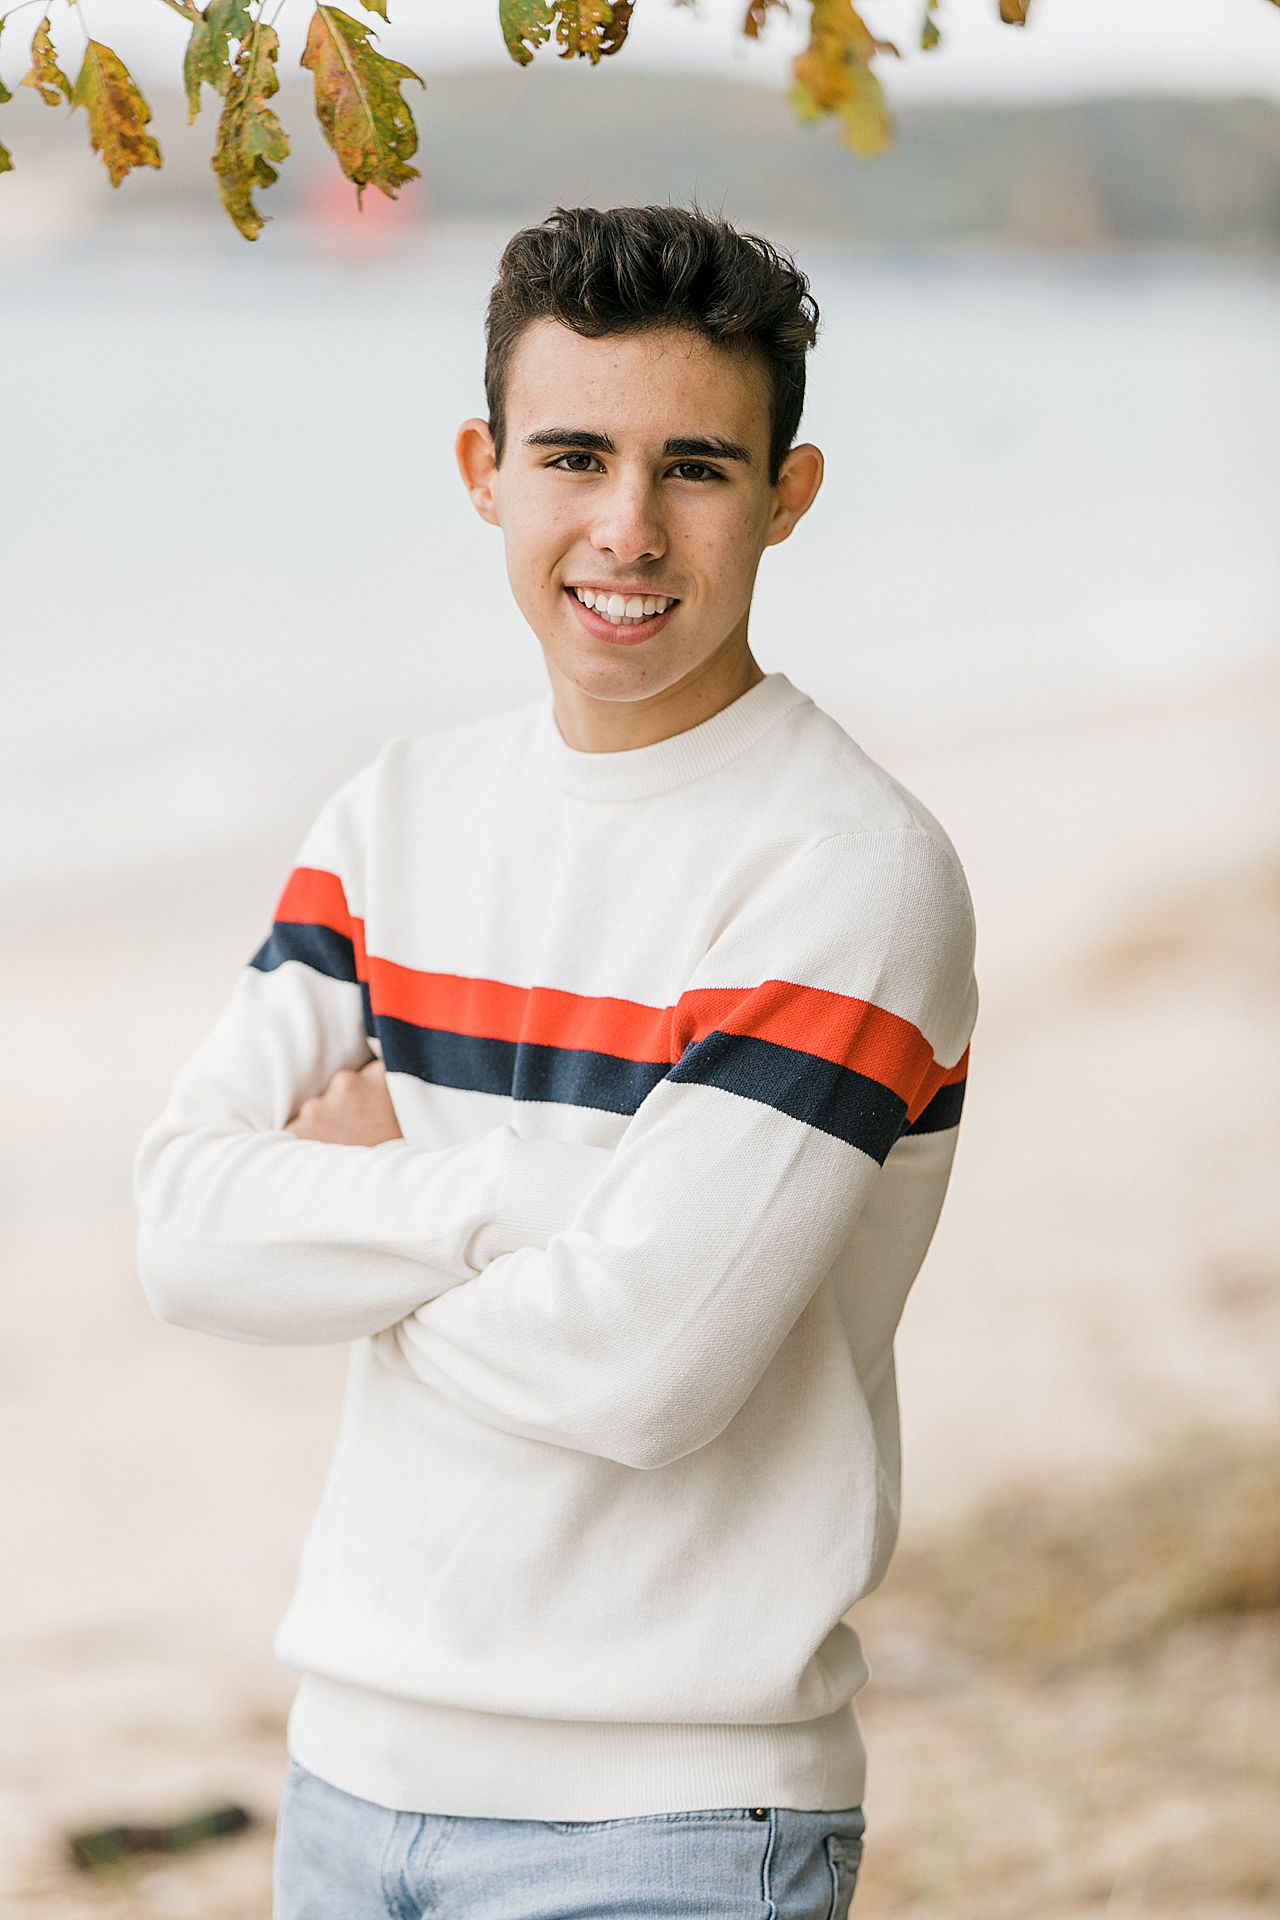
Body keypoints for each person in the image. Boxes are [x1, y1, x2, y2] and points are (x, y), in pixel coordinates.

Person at [133, 201, 978, 1919]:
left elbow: (648, 1371)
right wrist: (533, 1202)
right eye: (575, 454)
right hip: (348, 1780)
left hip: (674, 1820)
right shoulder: (393, 820)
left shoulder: (849, 872)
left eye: (698, 468)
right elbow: (181, 1232)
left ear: (787, 497)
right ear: (485, 469)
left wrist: (370, 1201)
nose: (626, 528)